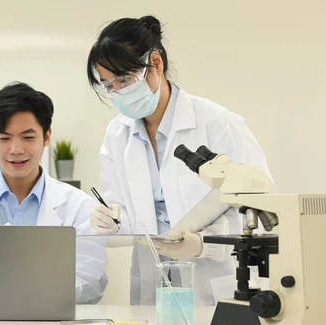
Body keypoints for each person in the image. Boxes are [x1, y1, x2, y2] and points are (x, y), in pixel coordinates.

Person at [86, 16, 274, 305]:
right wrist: (111, 221)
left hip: (214, 286)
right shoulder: (116, 135)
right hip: (152, 285)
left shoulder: (218, 124)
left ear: (156, 64)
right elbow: (121, 210)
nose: (118, 92)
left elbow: (259, 207)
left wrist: (205, 244)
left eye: (124, 80)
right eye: (109, 86)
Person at [0, 82, 108, 304]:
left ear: (47, 137)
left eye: (28, 137)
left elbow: (91, 279)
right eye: (4, 138)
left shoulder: (78, 205)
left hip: (52, 323)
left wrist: (32, 292)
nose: (16, 149)